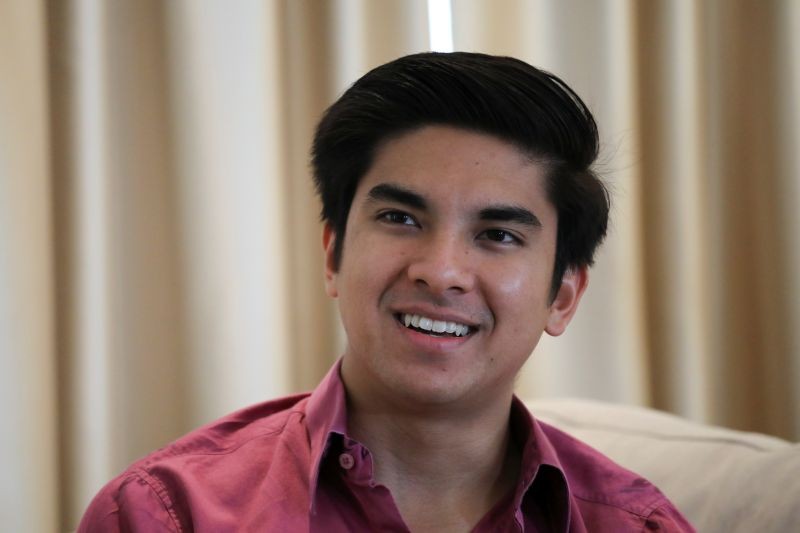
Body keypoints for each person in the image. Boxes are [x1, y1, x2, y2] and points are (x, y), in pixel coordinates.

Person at [78, 52, 693, 532]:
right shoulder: (163, 516)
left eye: (498, 234)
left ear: (563, 296)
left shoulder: (638, 525)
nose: (440, 271)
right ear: (333, 255)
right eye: (401, 219)